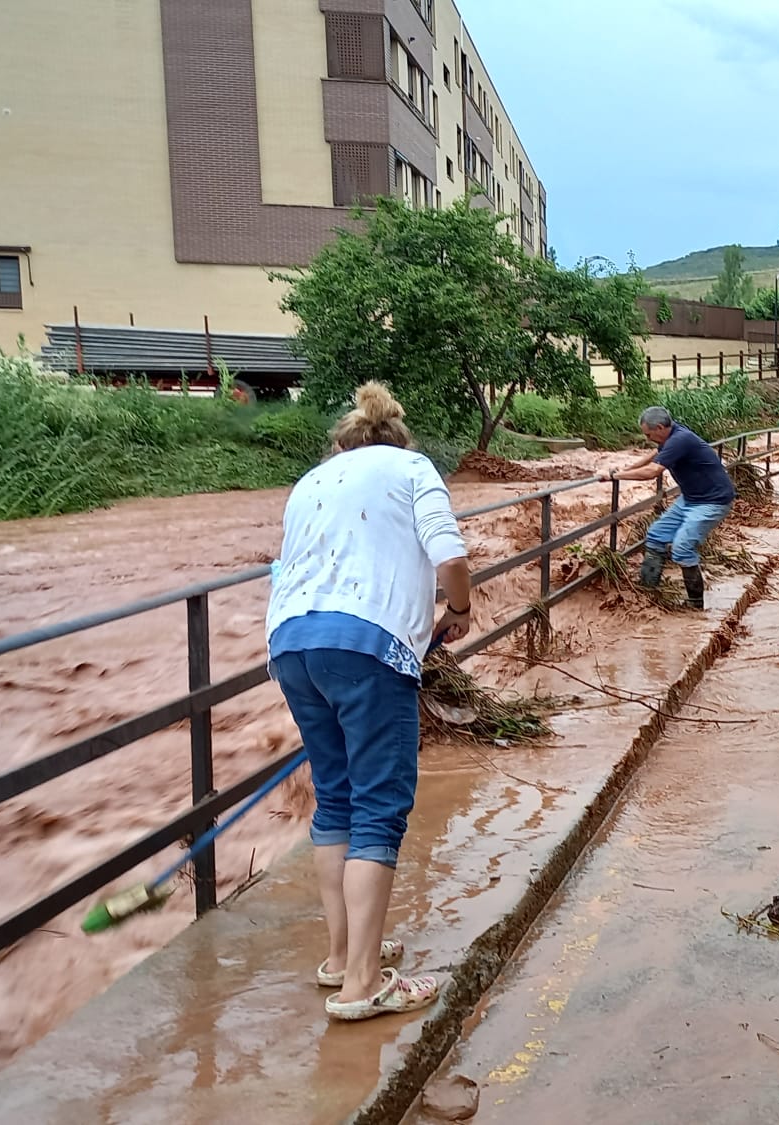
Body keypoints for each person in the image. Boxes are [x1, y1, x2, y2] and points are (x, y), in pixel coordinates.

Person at [265, 382, 472, 1021]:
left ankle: (340, 957)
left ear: (345, 441)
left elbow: (291, 566)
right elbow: (449, 554)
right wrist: (459, 609)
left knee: (337, 799)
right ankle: (364, 984)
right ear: (397, 437)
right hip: (367, 647)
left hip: (291, 641)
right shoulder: (412, 468)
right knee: (379, 810)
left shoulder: (311, 482)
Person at [603, 406, 736, 610]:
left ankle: (694, 604)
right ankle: (648, 592)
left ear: (659, 427)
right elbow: (654, 455)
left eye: (648, 434)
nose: (647, 438)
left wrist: (615, 476)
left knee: (682, 547)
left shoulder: (680, 440)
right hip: (691, 498)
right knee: (656, 535)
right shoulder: (671, 436)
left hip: (712, 501)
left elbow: (653, 471)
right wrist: (626, 469)